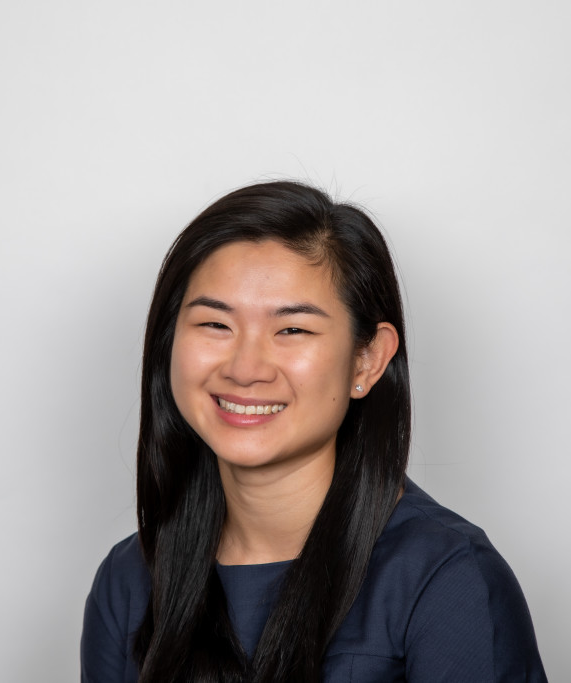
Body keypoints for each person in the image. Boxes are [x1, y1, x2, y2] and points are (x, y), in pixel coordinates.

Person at [81, 180, 547, 682]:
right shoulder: (128, 581)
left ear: (367, 360)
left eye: (292, 330)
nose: (245, 369)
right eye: (215, 325)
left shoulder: (447, 578)